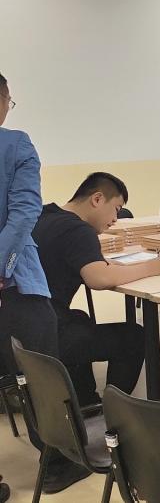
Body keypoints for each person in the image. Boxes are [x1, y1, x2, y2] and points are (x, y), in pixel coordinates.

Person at [0, 73, 82, 494]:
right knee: (41, 375)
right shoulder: (16, 145)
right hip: (16, 285)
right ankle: (57, 463)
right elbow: (23, 213)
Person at [33, 172, 160, 409]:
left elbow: (73, 259)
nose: (115, 219)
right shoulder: (79, 230)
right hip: (46, 334)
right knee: (133, 337)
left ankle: (84, 399)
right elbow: (99, 279)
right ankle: (116, 410)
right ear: (97, 199)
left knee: (79, 318)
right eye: (116, 209)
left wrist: (109, 264)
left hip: (20, 325)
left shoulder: (44, 215)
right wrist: (152, 267)